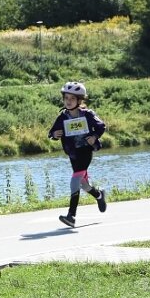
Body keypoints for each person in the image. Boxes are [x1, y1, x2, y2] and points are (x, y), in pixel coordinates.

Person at [48, 81, 107, 228]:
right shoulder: (62, 117)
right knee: (84, 185)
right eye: (66, 98)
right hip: (73, 154)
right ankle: (99, 195)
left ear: (79, 100)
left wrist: (94, 136)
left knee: (74, 181)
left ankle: (71, 216)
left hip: (86, 152)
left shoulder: (87, 114)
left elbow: (101, 126)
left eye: (72, 99)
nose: (68, 101)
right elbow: (51, 133)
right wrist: (55, 134)